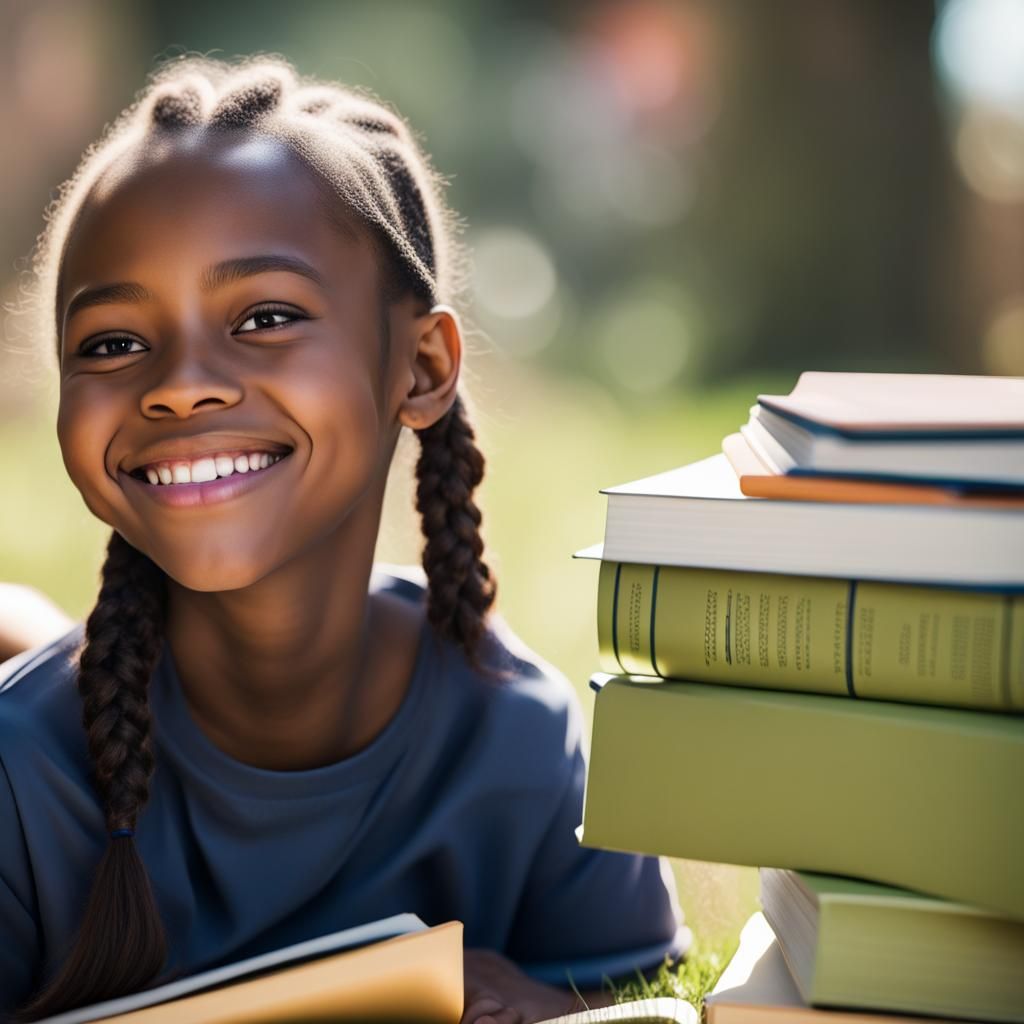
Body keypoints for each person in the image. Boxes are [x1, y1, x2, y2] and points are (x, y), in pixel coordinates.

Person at [0, 54, 690, 1024]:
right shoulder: (20, 779)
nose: (179, 383)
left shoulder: (519, 738)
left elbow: (642, 990)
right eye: (112, 342)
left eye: (266, 316)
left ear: (421, 365)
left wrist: (534, 1002)